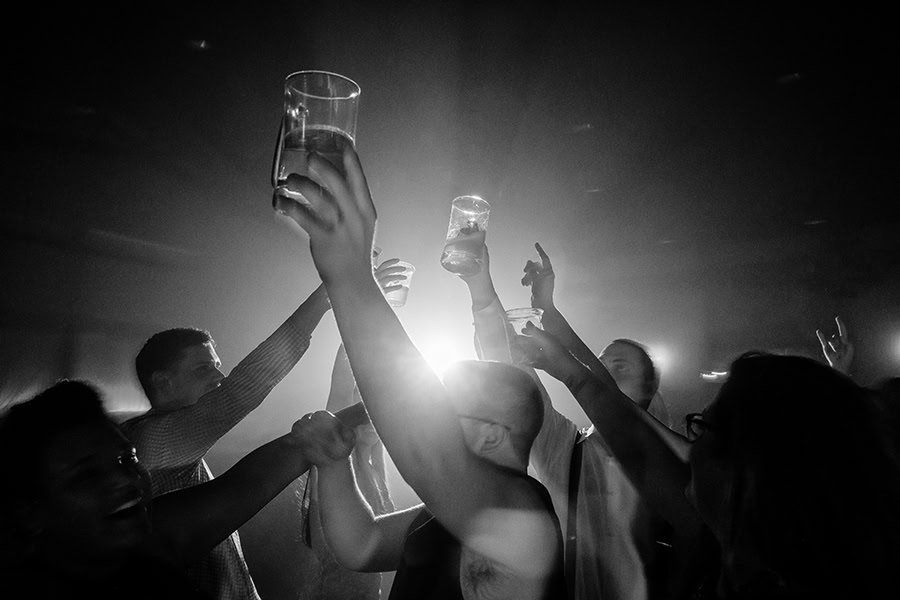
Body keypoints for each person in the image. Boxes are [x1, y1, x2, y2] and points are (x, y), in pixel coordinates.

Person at [272, 145, 566, 599]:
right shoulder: (445, 506)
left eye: (449, 405)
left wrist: (350, 273)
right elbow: (363, 545)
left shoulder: (521, 510)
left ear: (492, 434)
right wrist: (333, 465)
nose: (434, 414)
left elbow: (426, 453)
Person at [518, 324, 900, 599]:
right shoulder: (736, 547)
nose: (693, 445)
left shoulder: (731, 552)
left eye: (707, 429)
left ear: (759, 471)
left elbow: (631, 431)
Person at [459, 240, 682, 600]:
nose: (603, 373)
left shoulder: (670, 461)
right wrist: (480, 285)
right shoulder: (567, 450)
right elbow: (510, 379)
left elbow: (616, 406)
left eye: (619, 367)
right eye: (602, 362)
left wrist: (552, 319)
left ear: (649, 392)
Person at [0, 379, 356, 599]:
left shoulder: (144, 544)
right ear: (29, 512)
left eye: (127, 460)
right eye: (86, 475)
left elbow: (247, 484)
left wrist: (319, 435)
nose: (125, 481)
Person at [124, 283, 330, 600]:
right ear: (163, 381)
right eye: (203, 368)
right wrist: (320, 300)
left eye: (218, 366)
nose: (219, 377)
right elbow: (241, 390)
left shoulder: (174, 445)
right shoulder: (155, 438)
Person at [297, 343, 395, 600]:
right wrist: (356, 329)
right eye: (362, 410)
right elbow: (340, 391)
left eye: (375, 412)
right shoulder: (333, 460)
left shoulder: (375, 471)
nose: (371, 418)